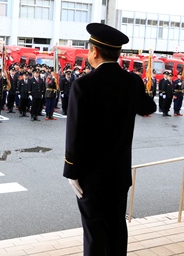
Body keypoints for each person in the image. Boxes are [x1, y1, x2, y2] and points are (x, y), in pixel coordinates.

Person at [63, 23, 156, 256]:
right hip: (119, 174)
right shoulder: (132, 81)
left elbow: (74, 131)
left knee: (94, 233)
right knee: (116, 228)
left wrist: (71, 170)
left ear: (94, 51)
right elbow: (148, 107)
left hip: (90, 176)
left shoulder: (83, 84)